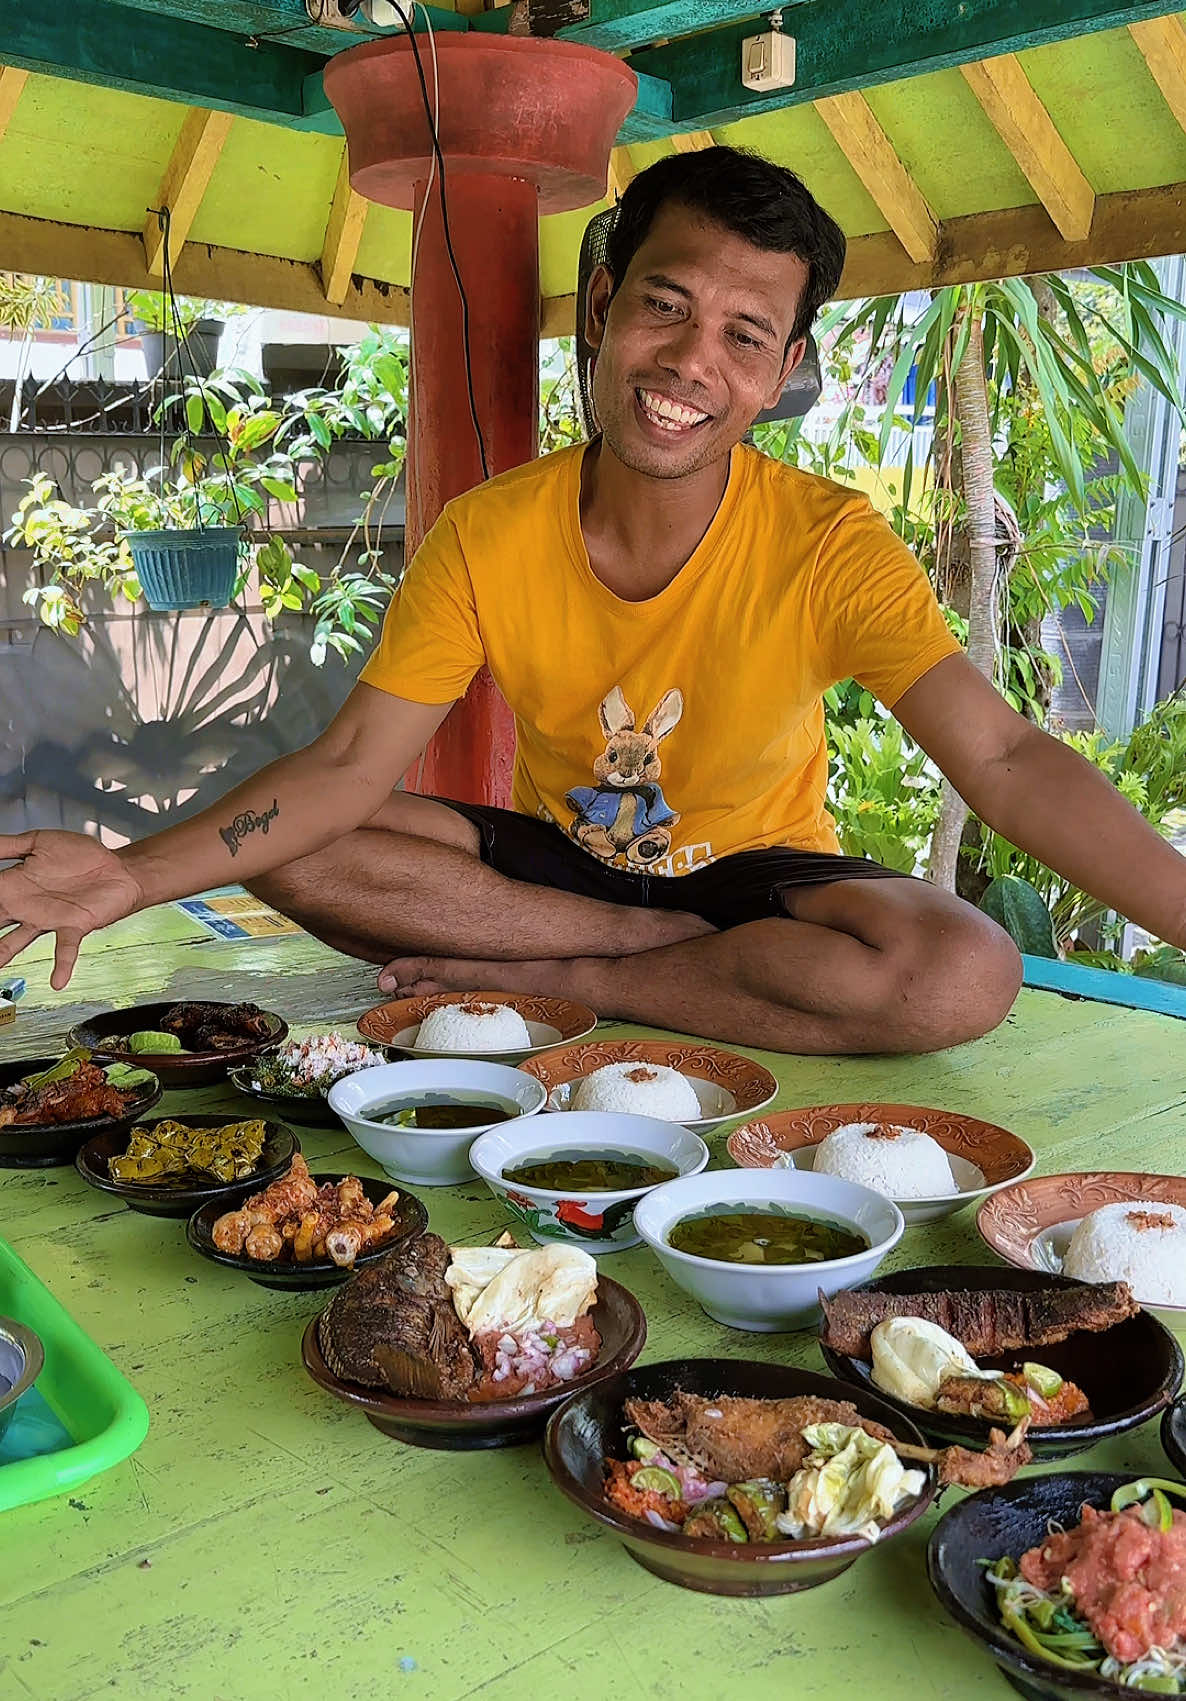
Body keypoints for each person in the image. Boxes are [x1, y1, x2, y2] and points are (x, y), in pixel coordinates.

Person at [1, 148, 1183, 1055]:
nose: (688, 364)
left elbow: (1011, 759)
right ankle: (646, 954)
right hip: (565, 871)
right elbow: (348, 767)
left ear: (780, 371)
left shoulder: (829, 542)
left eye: (742, 335)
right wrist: (130, 875)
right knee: (290, 844)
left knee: (964, 970)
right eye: (665, 306)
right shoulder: (489, 530)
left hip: (756, 879)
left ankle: (577, 984)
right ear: (608, 305)